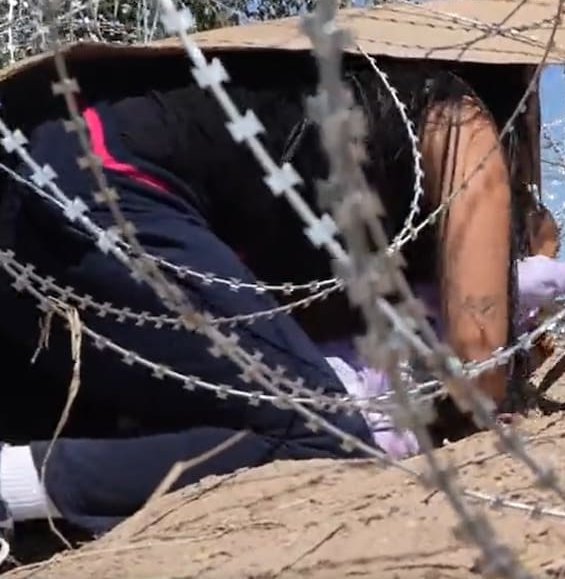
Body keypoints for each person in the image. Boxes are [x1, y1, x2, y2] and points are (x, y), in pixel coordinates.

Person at [0, 46, 518, 544]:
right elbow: (479, 367)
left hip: (38, 162)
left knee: (134, 422)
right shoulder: (460, 119)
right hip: (102, 177)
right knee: (318, 432)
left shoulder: (326, 102)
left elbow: (276, 334)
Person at [323, 202, 565, 453]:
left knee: (395, 445)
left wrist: (530, 361)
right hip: (358, 380)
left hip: (391, 404)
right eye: (552, 253)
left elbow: (483, 370)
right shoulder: (493, 282)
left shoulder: (502, 313)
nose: (554, 262)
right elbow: (533, 278)